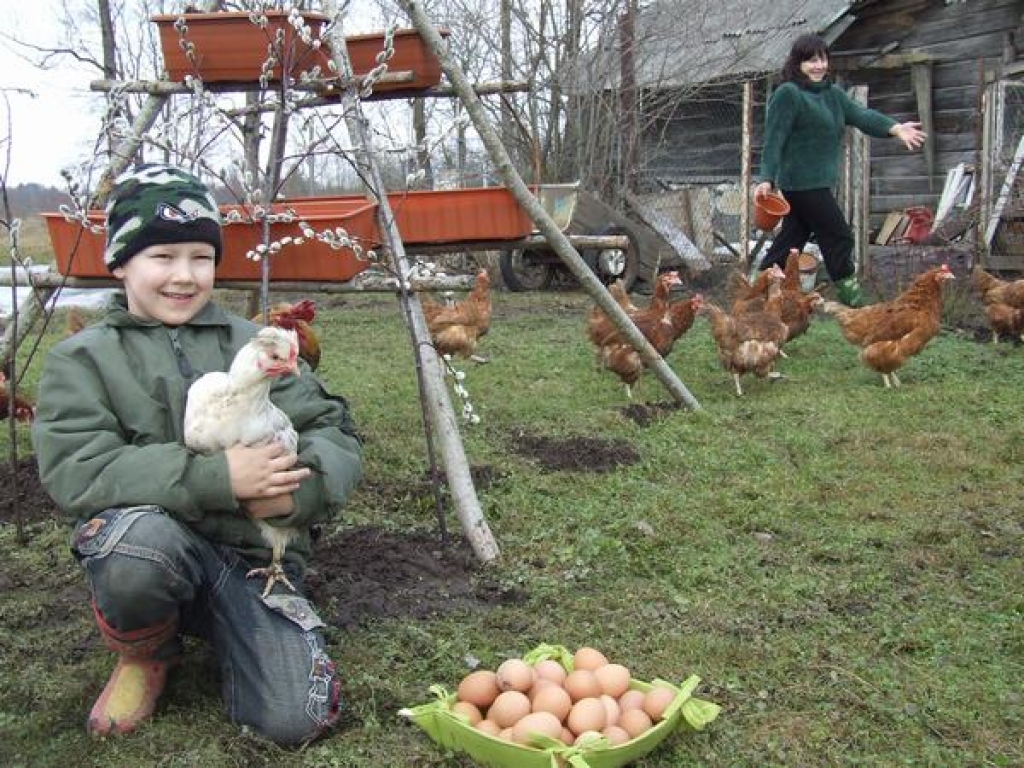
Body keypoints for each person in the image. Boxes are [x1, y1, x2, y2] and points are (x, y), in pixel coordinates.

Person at [31, 164, 364, 744]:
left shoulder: (253, 344)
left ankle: (241, 622)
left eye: (200, 257)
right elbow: (79, 468)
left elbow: (331, 432)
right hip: (155, 546)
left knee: (293, 721)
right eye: (162, 257)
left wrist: (293, 494)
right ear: (120, 263)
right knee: (138, 544)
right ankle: (146, 650)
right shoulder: (81, 361)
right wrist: (220, 478)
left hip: (255, 554)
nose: (183, 276)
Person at [753, 33, 927, 307]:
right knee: (838, 235)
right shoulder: (788, 94)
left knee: (791, 241)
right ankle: (854, 302)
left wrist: (894, 128)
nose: (819, 66)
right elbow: (774, 139)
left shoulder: (832, 94)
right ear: (798, 63)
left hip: (820, 182)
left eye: (822, 59)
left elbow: (861, 115)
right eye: (811, 60)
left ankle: (754, 293)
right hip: (801, 182)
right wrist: (766, 177)